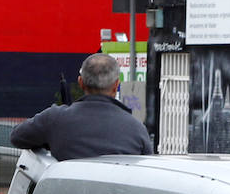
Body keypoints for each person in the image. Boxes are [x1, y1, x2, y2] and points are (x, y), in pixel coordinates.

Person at [10, 53, 153, 159]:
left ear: (81, 82)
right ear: (116, 85)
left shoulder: (55, 119)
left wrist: (51, 138)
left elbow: (17, 137)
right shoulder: (136, 129)